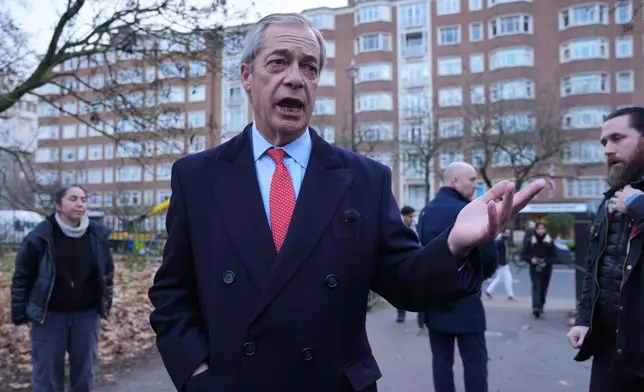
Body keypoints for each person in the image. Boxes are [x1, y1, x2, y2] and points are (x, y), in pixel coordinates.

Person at [147, 13, 545, 392]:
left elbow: (406, 283)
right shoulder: (197, 176)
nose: (295, 79)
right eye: (278, 63)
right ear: (247, 76)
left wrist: (455, 243)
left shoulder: (365, 179)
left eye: (309, 67)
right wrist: (197, 374)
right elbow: (173, 293)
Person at [566, 106, 644, 391]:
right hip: (609, 348)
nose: (608, 149)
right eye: (604, 142)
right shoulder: (610, 200)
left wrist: (639, 207)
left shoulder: (633, 201)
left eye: (618, 138)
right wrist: (584, 319)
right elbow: (595, 268)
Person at [10, 185, 114, 392]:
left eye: (83, 199)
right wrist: (20, 313)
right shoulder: (40, 237)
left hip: (86, 316)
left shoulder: (97, 235)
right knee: (47, 377)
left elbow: (107, 273)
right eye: (73, 199)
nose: (80, 204)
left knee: (84, 376)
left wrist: (105, 304)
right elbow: (22, 277)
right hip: (50, 317)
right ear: (58, 205)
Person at [417, 162, 498, 392]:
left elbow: (419, 255)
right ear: (455, 181)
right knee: (474, 362)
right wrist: (476, 278)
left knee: (441, 363)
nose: (476, 184)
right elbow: (490, 258)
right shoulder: (470, 211)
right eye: (472, 179)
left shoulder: (426, 212)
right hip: (466, 301)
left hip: (434, 302)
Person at [520, 222, 555, 319]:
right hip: (534, 268)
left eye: (542, 228)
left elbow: (554, 256)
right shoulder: (530, 241)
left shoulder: (550, 241)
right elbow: (523, 255)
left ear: (546, 230)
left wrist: (546, 261)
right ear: (535, 229)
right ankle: (536, 308)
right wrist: (531, 259)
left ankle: (541, 305)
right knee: (536, 286)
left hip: (546, 268)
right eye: (539, 228)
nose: (540, 230)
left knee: (543, 287)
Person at [395, 205, 422, 328]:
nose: (412, 219)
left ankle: (421, 314)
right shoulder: (396, 228)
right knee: (399, 289)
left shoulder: (415, 228)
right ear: (404, 216)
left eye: (413, 216)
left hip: (415, 261)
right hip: (400, 262)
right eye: (411, 216)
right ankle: (401, 313)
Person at [485, 228, 516, 300]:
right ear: (503, 233)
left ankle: (489, 291)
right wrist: (498, 262)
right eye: (507, 233)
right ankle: (510, 294)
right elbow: (496, 253)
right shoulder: (500, 242)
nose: (508, 234)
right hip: (502, 264)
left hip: (503, 263)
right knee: (508, 279)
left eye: (509, 233)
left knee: (499, 278)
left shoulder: (502, 241)